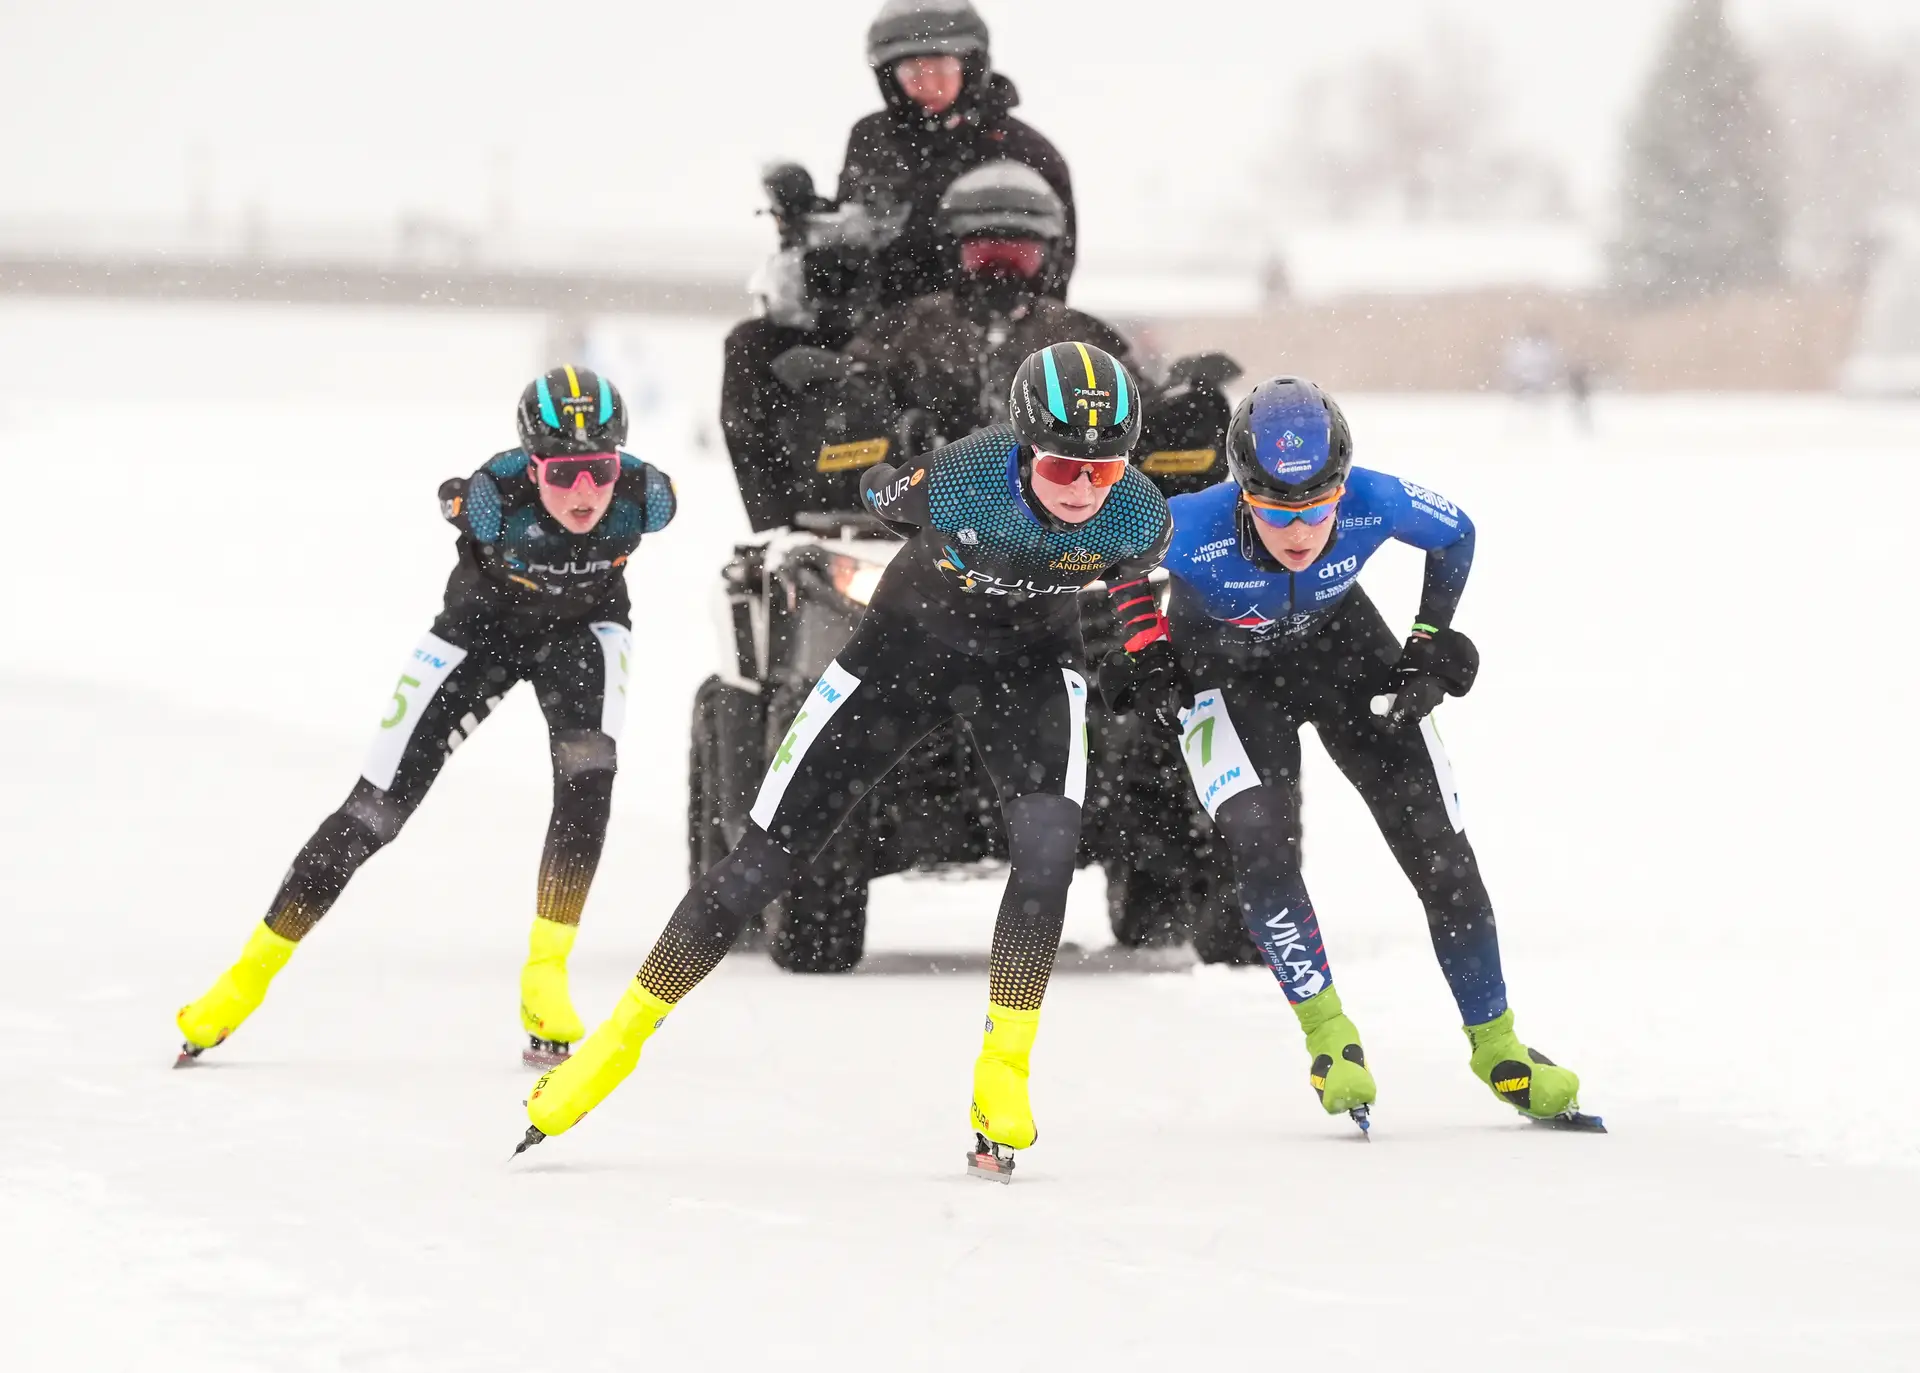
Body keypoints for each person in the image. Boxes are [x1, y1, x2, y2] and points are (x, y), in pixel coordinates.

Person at [515, 343, 1173, 1181]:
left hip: (1028, 668)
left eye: (1103, 468)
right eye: (1059, 465)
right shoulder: (960, 478)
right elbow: (875, 493)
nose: (1082, 489)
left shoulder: (1140, 510)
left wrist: (1146, 644)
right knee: (762, 861)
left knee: (1048, 856)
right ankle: (612, 1047)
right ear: (1021, 447)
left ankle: (1003, 1072)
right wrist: (882, 454)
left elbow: (1127, 569)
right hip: (903, 654)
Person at [1101, 377, 1597, 1132]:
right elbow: (1118, 557)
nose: (1300, 531)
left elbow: (1457, 533)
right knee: (1262, 844)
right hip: (1228, 676)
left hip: (1345, 656)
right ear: (1242, 494)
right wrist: (1148, 647)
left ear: (1342, 487)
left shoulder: (1376, 498)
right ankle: (1330, 1038)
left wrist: (1428, 640)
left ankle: (1500, 1048)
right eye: (1276, 511)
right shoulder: (1189, 523)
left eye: (1319, 507)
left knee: (1441, 851)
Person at [174, 368, 677, 1071]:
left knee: (589, 775)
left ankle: (546, 975)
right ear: (532, 466)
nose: (585, 492)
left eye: (600, 469)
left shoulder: (648, 497)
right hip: (480, 633)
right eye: (563, 473)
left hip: (582, 633)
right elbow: (450, 495)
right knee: (375, 809)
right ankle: (245, 978)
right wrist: (454, 498)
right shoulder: (493, 498)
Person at [719, 0, 1077, 529]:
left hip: (968, 327)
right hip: (877, 321)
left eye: (941, 68)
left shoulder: (1026, 152)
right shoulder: (872, 139)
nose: (926, 83)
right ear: (889, 76)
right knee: (753, 348)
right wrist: (818, 241)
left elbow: (1054, 272)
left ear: (971, 66)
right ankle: (785, 529)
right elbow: (862, 228)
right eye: (912, 71)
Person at [844, 160, 1128, 443]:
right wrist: (904, 433)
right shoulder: (904, 328)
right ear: (952, 251)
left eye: (1020, 254)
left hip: (1058, 472)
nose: (1001, 270)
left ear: (1048, 256)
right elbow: (848, 403)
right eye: (984, 252)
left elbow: (1141, 417)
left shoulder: (1082, 338)